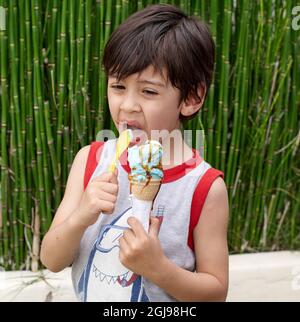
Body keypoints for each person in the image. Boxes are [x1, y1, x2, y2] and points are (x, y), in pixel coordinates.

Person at [41, 4, 229, 302]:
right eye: (118, 86)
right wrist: (82, 215)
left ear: (192, 98)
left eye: (149, 92)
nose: (127, 105)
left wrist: (159, 269)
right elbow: (51, 259)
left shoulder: (204, 188)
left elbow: (216, 293)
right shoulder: (90, 161)